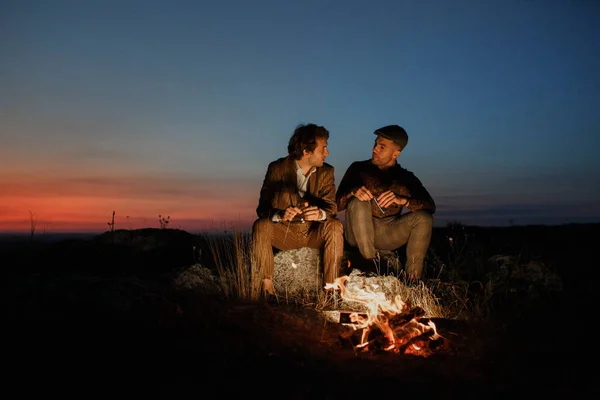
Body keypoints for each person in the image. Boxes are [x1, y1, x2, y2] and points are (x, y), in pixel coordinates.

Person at [252, 123, 344, 295]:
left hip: (312, 233)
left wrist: (319, 214)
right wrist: (280, 215)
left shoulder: (327, 171)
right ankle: (267, 289)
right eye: (323, 148)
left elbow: (331, 207)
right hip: (285, 233)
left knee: (335, 226)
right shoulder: (277, 168)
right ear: (306, 151)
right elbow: (262, 208)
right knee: (260, 225)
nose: (327, 153)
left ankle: (331, 289)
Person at [335, 124, 436, 281]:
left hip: (387, 232)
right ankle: (371, 267)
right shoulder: (358, 168)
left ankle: (413, 280)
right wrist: (352, 192)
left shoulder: (406, 178)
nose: (375, 149)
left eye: (382, 147)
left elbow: (430, 206)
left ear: (396, 153)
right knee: (359, 202)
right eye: (376, 144)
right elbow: (335, 205)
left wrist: (403, 200)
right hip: (357, 230)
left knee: (424, 218)